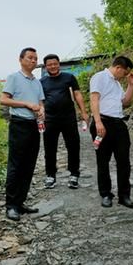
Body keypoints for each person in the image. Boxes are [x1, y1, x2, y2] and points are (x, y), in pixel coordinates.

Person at [0, 47, 45, 221]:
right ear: (21, 59)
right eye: (30, 57)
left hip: (34, 125)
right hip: (19, 124)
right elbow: (3, 99)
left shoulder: (37, 82)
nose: (33, 61)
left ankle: (20, 202)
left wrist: (42, 111)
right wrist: (26, 104)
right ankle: (11, 206)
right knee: (16, 165)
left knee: (29, 164)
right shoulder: (14, 77)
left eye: (35, 58)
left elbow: (40, 102)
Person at [89, 56, 133, 208]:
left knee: (124, 161)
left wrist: (131, 85)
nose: (124, 76)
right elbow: (94, 99)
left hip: (118, 123)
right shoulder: (99, 77)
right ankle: (105, 194)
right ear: (118, 68)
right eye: (125, 73)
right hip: (102, 122)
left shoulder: (117, 84)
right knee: (103, 160)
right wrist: (98, 122)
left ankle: (124, 195)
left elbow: (125, 102)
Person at [40, 54, 89, 189]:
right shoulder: (42, 82)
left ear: (59, 64)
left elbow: (77, 94)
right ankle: (50, 175)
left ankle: (74, 174)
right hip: (50, 119)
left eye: (55, 64)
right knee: (50, 148)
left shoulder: (69, 77)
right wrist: (40, 114)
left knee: (73, 146)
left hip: (68, 118)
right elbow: (40, 100)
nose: (53, 66)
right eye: (49, 65)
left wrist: (84, 112)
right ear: (46, 67)